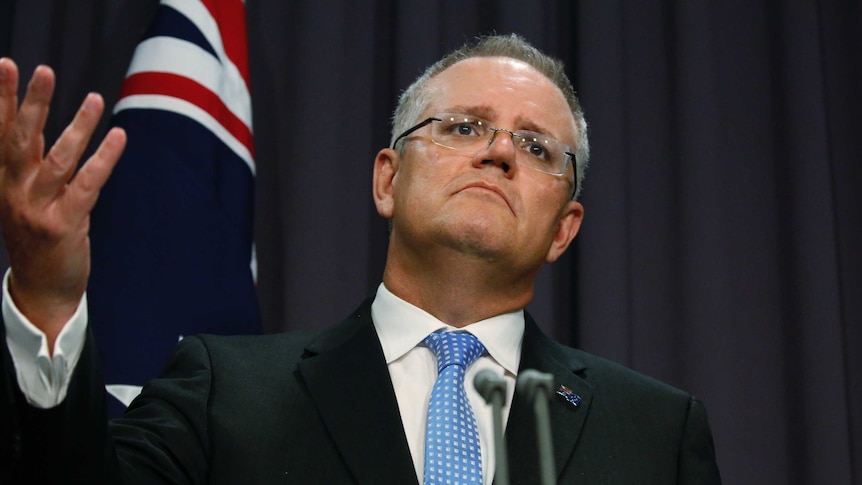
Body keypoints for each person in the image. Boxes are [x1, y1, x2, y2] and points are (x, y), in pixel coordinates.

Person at [0, 34, 721, 484]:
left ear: (564, 229)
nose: (499, 151)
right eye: (463, 126)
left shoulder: (655, 433)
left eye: (536, 148)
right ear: (387, 179)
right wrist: (46, 295)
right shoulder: (224, 391)